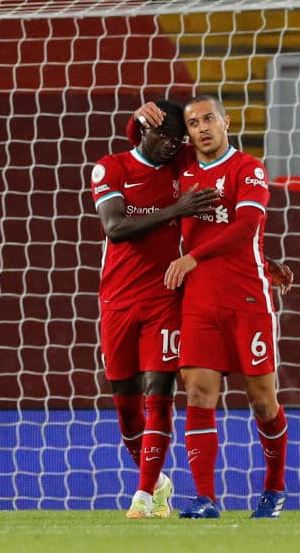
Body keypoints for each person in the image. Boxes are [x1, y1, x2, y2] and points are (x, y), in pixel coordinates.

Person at [134, 95, 291, 519]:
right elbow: (144, 145)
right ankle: (206, 498)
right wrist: (137, 119)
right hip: (199, 302)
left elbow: (246, 228)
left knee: (263, 402)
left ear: (226, 121)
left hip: (247, 301)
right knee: (199, 393)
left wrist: (194, 257)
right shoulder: (183, 165)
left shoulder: (248, 169)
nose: (202, 128)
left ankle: (274, 489)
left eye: (208, 119)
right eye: (193, 123)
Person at [91, 98, 220, 519]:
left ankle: (144, 497)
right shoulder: (110, 168)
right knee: (127, 408)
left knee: (159, 395)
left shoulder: (178, 165)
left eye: (176, 139)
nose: (171, 145)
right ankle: (159, 482)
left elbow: (211, 146)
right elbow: (116, 227)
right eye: (162, 135)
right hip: (117, 301)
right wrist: (174, 211)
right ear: (144, 132)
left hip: (164, 297)